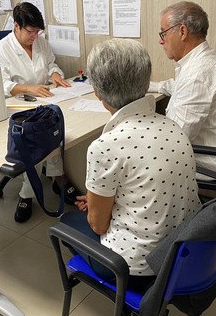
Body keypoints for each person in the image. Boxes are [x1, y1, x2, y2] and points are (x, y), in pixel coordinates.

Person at [61, 38, 201, 291]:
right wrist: (100, 199)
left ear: (97, 91)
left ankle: (123, 297)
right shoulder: (172, 126)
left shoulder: (105, 146)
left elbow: (98, 225)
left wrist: (97, 205)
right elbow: (145, 186)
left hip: (136, 269)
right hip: (183, 254)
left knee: (66, 222)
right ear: (145, 82)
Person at [0, 2, 77, 222]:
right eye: (30, 31)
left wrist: (56, 75)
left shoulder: (41, 43)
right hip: (18, 108)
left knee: (58, 130)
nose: (35, 36)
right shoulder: (2, 49)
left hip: (44, 102)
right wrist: (28, 88)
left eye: (38, 31)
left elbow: (51, 65)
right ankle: (26, 194)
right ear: (17, 26)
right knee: (37, 139)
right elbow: (0, 85)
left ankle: (58, 178)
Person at [149, 1, 216, 176]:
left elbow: (172, 142)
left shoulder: (198, 75)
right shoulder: (206, 60)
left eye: (163, 33)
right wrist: (149, 86)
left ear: (182, 31)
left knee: (138, 161)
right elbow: (179, 87)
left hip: (212, 162)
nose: (160, 41)